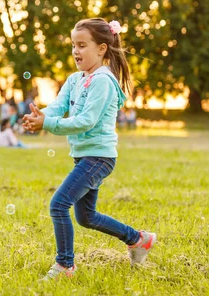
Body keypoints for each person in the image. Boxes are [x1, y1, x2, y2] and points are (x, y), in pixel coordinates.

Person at [23, 18, 156, 281]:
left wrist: (47, 124)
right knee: (86, 217)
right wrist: (40, 117)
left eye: (82, 45)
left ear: (102, 49)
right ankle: (139, 239)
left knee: (58, 204)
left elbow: (86, 120)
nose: (75, 51)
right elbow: (59, 108)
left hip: (99, 157)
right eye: (73, 45)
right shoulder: (75, 80)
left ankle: (65, 266)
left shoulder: (103, 81)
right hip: (85, 156)